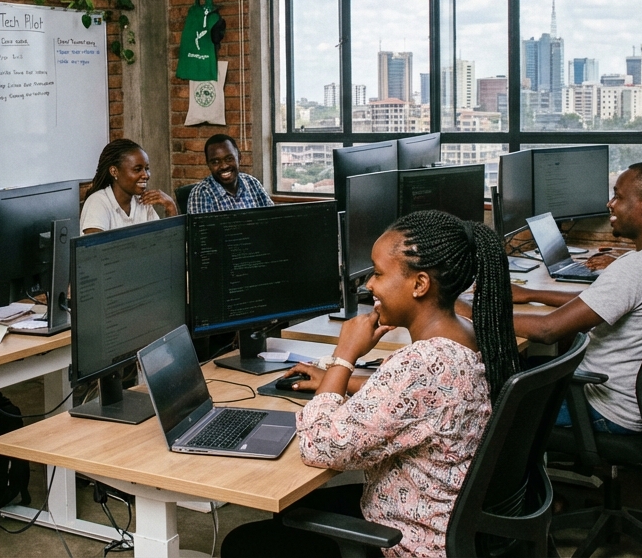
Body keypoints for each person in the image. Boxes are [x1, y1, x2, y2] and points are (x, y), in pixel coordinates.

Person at [222, 211, 522, 557]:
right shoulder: (467, 334)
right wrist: (341, 381)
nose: (369, 285)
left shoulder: (419, 365)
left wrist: (344, 356)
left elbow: (319, 446)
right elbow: (421, 400)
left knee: (244, 544)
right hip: (450, 524)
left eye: (378, 273)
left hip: (409, 541)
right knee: (294, 512)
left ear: (420, 284)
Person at [510, 162, 642, 435]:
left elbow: (547, 330)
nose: (610, 204)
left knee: (495, 391)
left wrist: (471, 311)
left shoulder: (636, 267)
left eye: (618, 196)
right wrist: (531, 294)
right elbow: (597, 299)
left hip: (602, 405)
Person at [80, 138, 177, 234]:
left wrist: (170, 206)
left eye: (147, 169)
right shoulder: (97, 202)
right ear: (114, 171)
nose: (146, 175)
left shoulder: (143, 202)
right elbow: (94, 244)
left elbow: (165, 241)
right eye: (137, 169)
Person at [184, 133, 274, 214]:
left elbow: (272, 218)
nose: (224, 166)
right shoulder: (201, 194)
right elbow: (202, 228)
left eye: (229, 159)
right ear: (208, 165)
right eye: (215, 162)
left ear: (239, 157)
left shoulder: (252, 183)